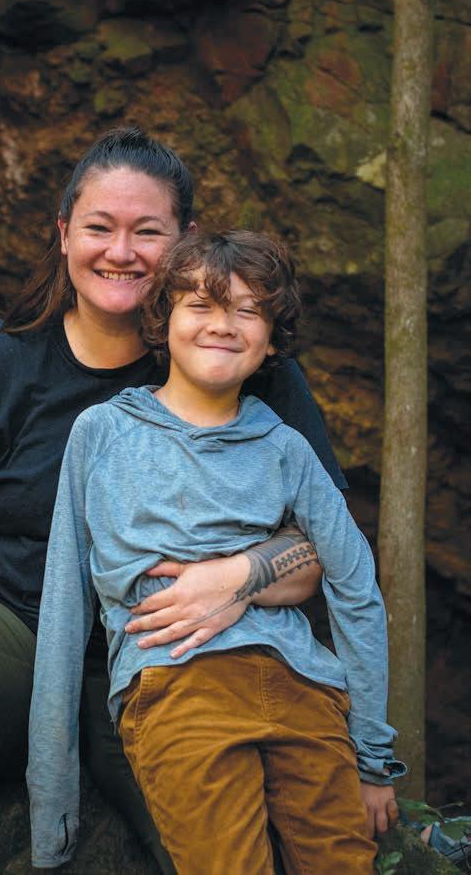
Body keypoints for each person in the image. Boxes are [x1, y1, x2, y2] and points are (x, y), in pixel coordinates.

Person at [0, 128, 346, 871]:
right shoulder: (10, 362)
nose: (120, 252)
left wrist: (235, 578)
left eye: (147, 232)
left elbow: (328, 545)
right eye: (99, 227)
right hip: (22, 634)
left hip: (178, 659)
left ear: (184, 241)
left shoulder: (238, 359)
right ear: (64, 234)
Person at [27, 230, 405, 873]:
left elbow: (355, 585)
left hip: (303, 687)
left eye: (248, 310)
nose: (223, 325)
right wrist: (52, 799)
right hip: (176, 683)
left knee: (343, 862)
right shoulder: (105, 432)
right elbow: (65, 603)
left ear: (271, 337)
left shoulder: (286, 447)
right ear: (162, 318)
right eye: (201, 304)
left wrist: (372, 758)